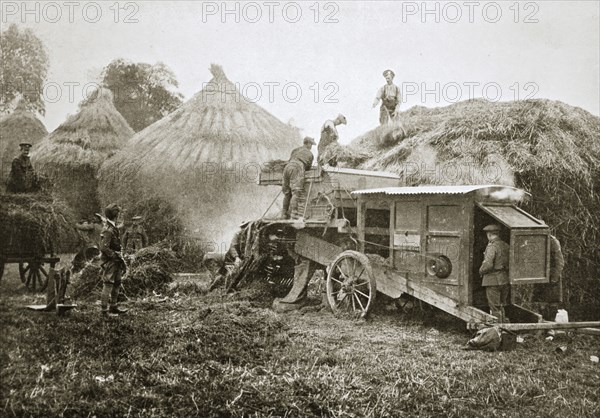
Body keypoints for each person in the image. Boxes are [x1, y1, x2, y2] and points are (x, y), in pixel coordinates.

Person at [99, 203, 128, 315]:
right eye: (118, 214)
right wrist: (114, 256)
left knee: (117, 282)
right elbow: (103, 248)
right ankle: (104, 310)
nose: (119, 216)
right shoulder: (108, 229)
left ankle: (113, 306)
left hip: (116, 261)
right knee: (108, 284)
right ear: (115, 216)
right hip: (110, 261)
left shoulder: (113, 228)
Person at [479, 224, 510, 323]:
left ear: (489, 235)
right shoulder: (506, 245)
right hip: (504, 279)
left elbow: (488, 264)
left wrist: (480, 271)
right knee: (501, 305)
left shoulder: (492, 247)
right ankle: (504, 327)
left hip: (492, 280)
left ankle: (498, 330)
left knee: (494, 307)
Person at [281, 137, 315, 219]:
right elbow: (308, 168)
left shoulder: (295, 150)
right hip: (298, 167)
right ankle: (294, 214)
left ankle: (284, 214)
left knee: (287, 193)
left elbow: (290, 159)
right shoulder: (310, 154)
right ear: (308, 143)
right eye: (311, 144)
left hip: (287, 167)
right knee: (296, 192)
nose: (311, 147)